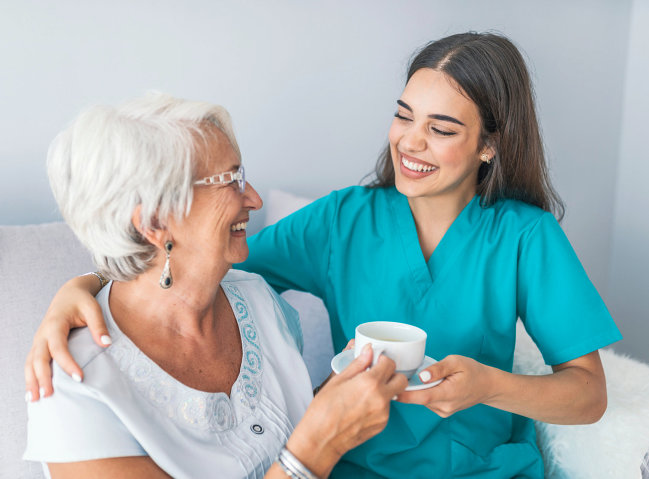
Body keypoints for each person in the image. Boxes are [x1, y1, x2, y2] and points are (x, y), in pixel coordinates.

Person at [25, 32, 621, 478]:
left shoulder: (526, 237)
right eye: (403, 116)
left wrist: (488, 386)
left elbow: (588, 393)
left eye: (441, 129)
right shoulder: (344, 221)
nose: (410, 143)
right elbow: (199, 262)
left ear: (490, 145)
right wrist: (83, 284)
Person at [22, 94, 408, 479]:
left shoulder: (258, 299)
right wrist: (320, 446)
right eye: (232, 181)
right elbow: (307, 448)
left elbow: (294, 434)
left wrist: (342, 398)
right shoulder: (75, 387)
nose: (253, 198)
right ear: (155, 222)